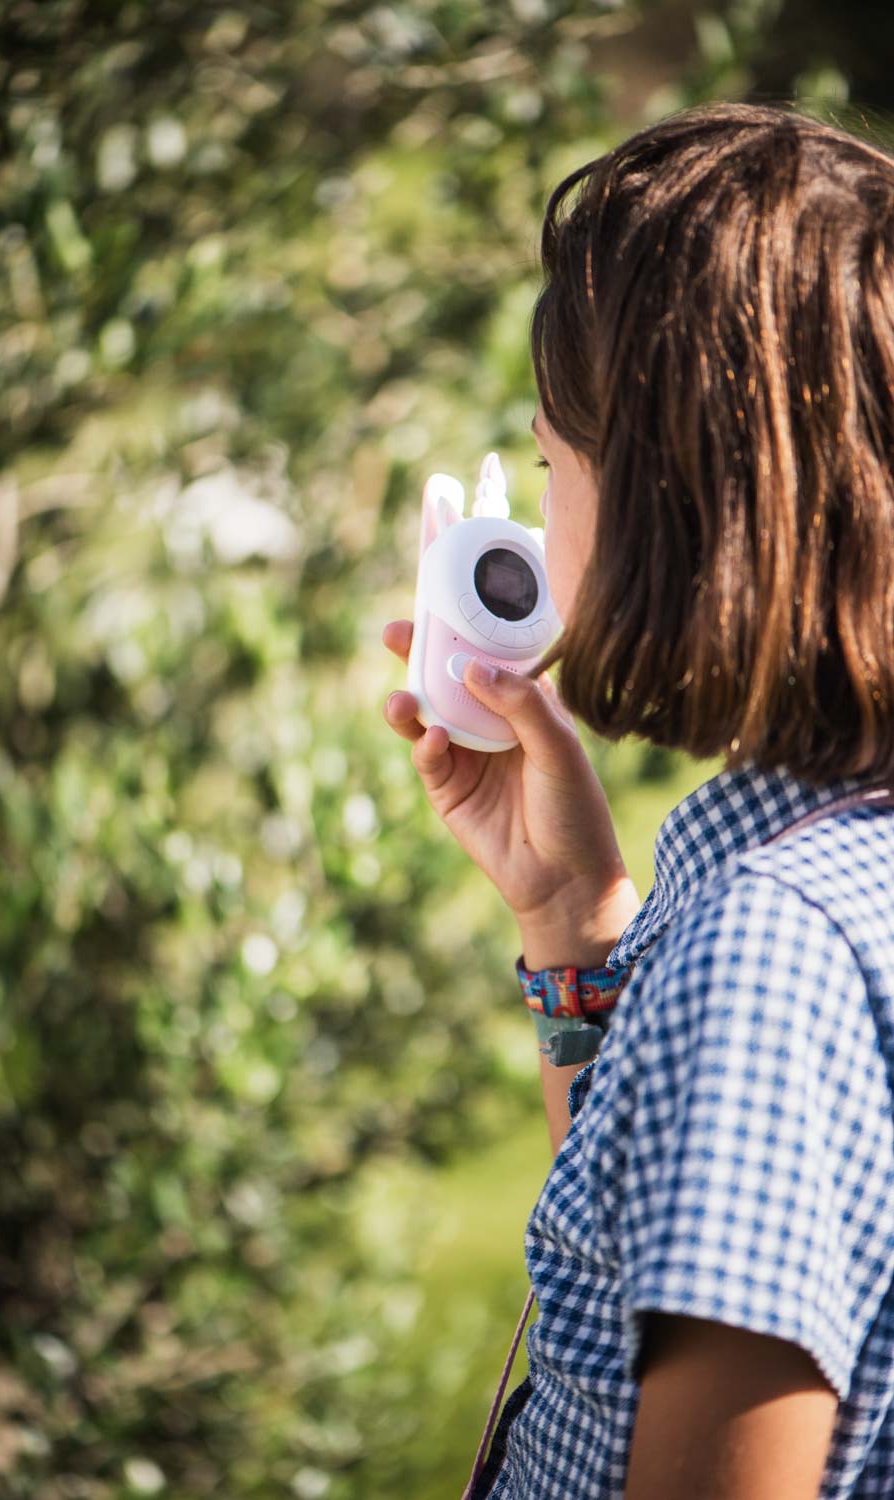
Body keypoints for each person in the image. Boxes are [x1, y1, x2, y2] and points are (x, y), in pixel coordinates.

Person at [380, 101, 894, 1500]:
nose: (537, 530)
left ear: (671, 498)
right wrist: (569, 917)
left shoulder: (771, 957)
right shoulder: (838, 878)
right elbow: (624, 1278)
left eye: (551, 466)